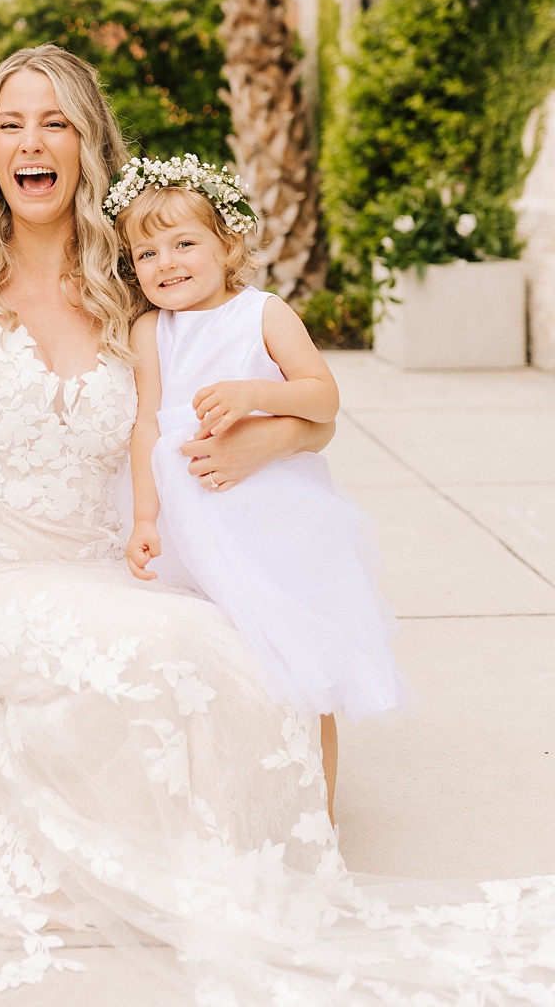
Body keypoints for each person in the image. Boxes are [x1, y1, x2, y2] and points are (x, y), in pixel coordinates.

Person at [0, 45, 555, 1006]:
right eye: (9, 123)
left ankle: (232, 870)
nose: (31, 143)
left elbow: (308, 398)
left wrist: (266, 441)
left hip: (113, 562)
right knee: (172, 657)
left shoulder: (135, 276)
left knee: (240, 653)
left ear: (89, 144)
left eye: (55, 123)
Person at [114, 154, 410, 816]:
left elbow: (323, 398)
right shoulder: (149, 330)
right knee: (224, 671)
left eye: (184, 243)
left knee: (305, 667)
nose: (166, 264)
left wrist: (256, 393)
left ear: (228, 244)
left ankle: (319, 815)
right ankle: (232, 804)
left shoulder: (263, 314)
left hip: (275, 521)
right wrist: (143, 519)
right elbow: (144, 424)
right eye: (146, 254)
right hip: (191, 532)